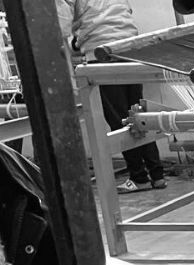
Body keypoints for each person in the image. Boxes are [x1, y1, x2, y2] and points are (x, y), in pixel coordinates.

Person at [57, 0, 166, 193]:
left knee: (120, 120)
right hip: (130, 48)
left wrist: (70, 77)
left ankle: (139, 178)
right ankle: (157, 176)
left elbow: (59, 33)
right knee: (139, 115)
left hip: (101, 54)